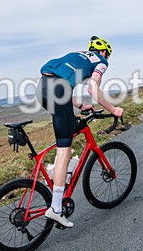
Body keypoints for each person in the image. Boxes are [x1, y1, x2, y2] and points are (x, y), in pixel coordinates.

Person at [37, 36, 123, 228]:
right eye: (106, 54)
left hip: (42, 86)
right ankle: (56, 208)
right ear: (104, 52)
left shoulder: (78, 55)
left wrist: (80, 104)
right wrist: (113, 109)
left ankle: (58, 176)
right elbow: (93, 87)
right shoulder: (101, 61)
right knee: (64, 150)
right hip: (58, 91)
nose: (106, 57)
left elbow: (61, 85)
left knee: (67, 128)